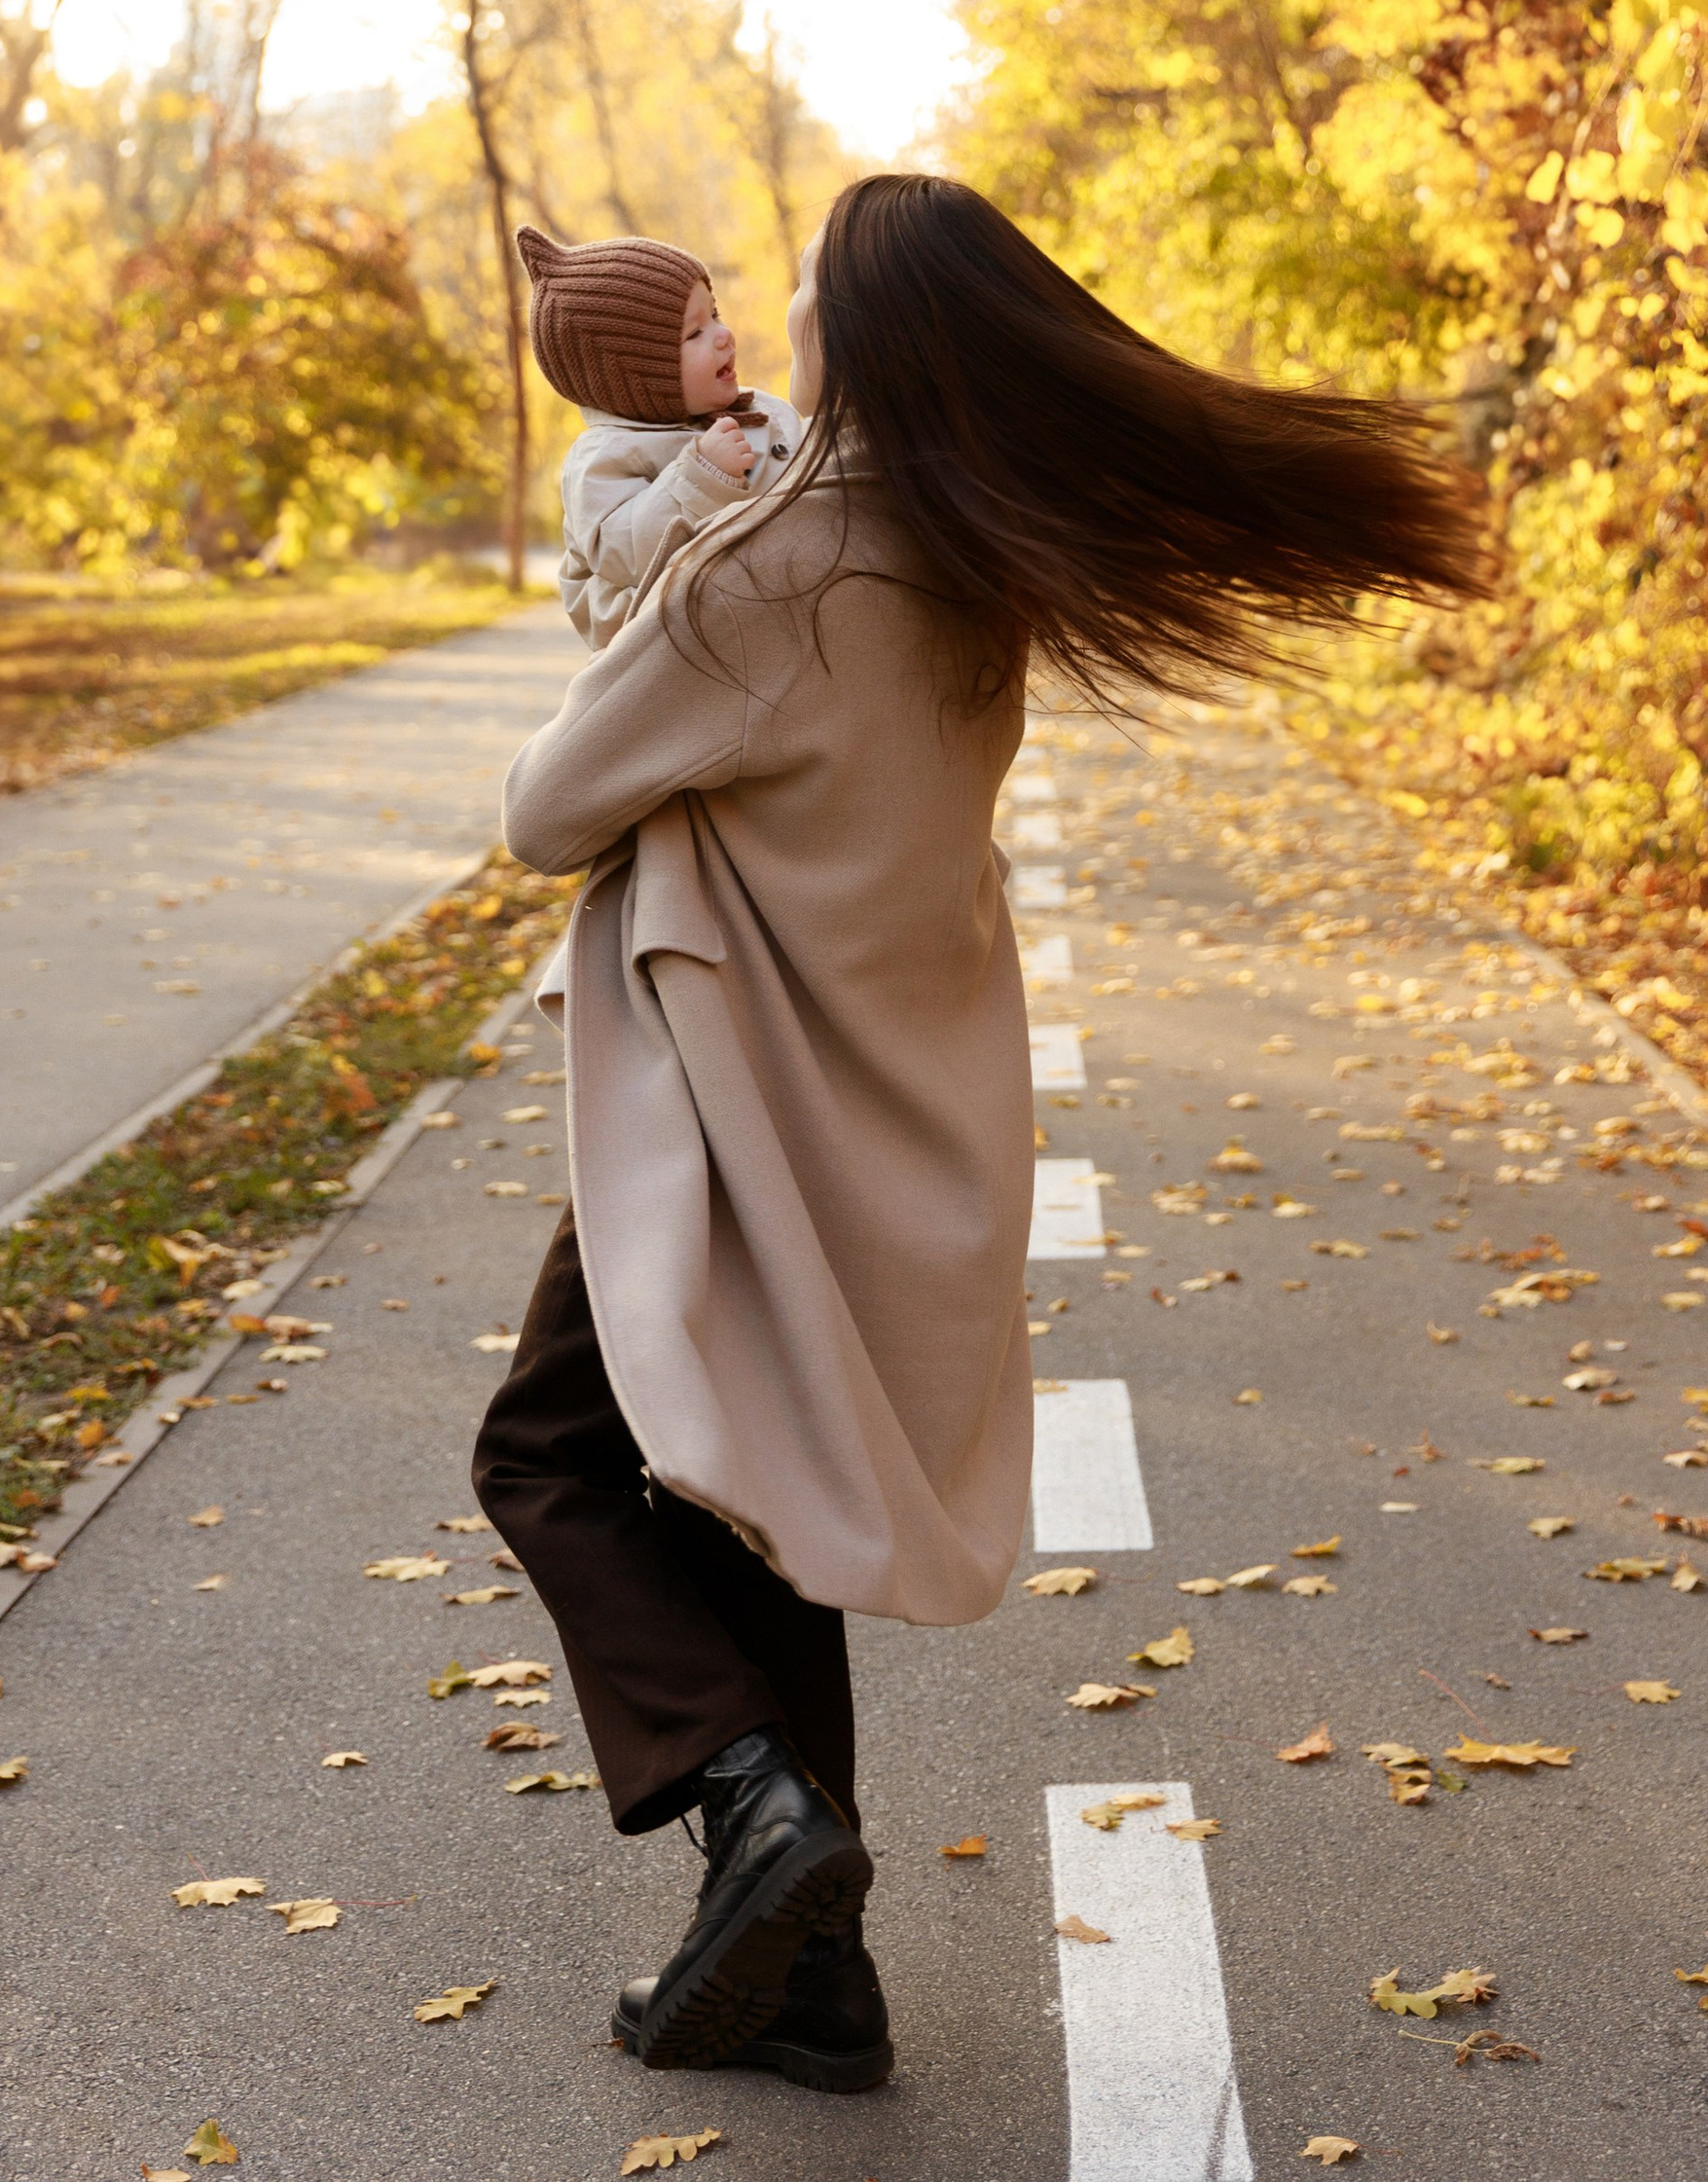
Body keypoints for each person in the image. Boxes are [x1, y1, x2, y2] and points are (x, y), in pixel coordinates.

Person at [473, 171, 1491, 2091]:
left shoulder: (783, 569)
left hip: (727, 1094)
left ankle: (744, 1789)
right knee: (753, 1525)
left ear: (853, 343)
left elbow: (544, 805)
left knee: (537, 1452)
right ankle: (815, 1987)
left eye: (794, 304)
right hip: (885, 1096)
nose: (761, 331)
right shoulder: (970, 562)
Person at [517, 225, 804, 647]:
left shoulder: (752, 412)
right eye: (695, 333)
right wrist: (703, 476)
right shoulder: (604, 457)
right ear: (636, 378)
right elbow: (621, 550)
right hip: (682, 657)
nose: (724, 335)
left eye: (716, 315)